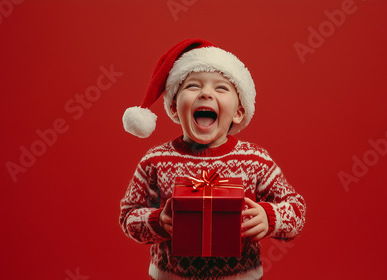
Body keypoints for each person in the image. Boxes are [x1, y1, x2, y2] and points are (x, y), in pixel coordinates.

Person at [120, 39, 306, 279]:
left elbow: (297, 210)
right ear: (174, 107)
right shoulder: (155, 161)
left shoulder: (255, 160)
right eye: (193, 86)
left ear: (238, 113)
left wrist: (270, 218)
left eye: (221, 88)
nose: (206, 93)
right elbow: (128, 216)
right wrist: (158, 221)